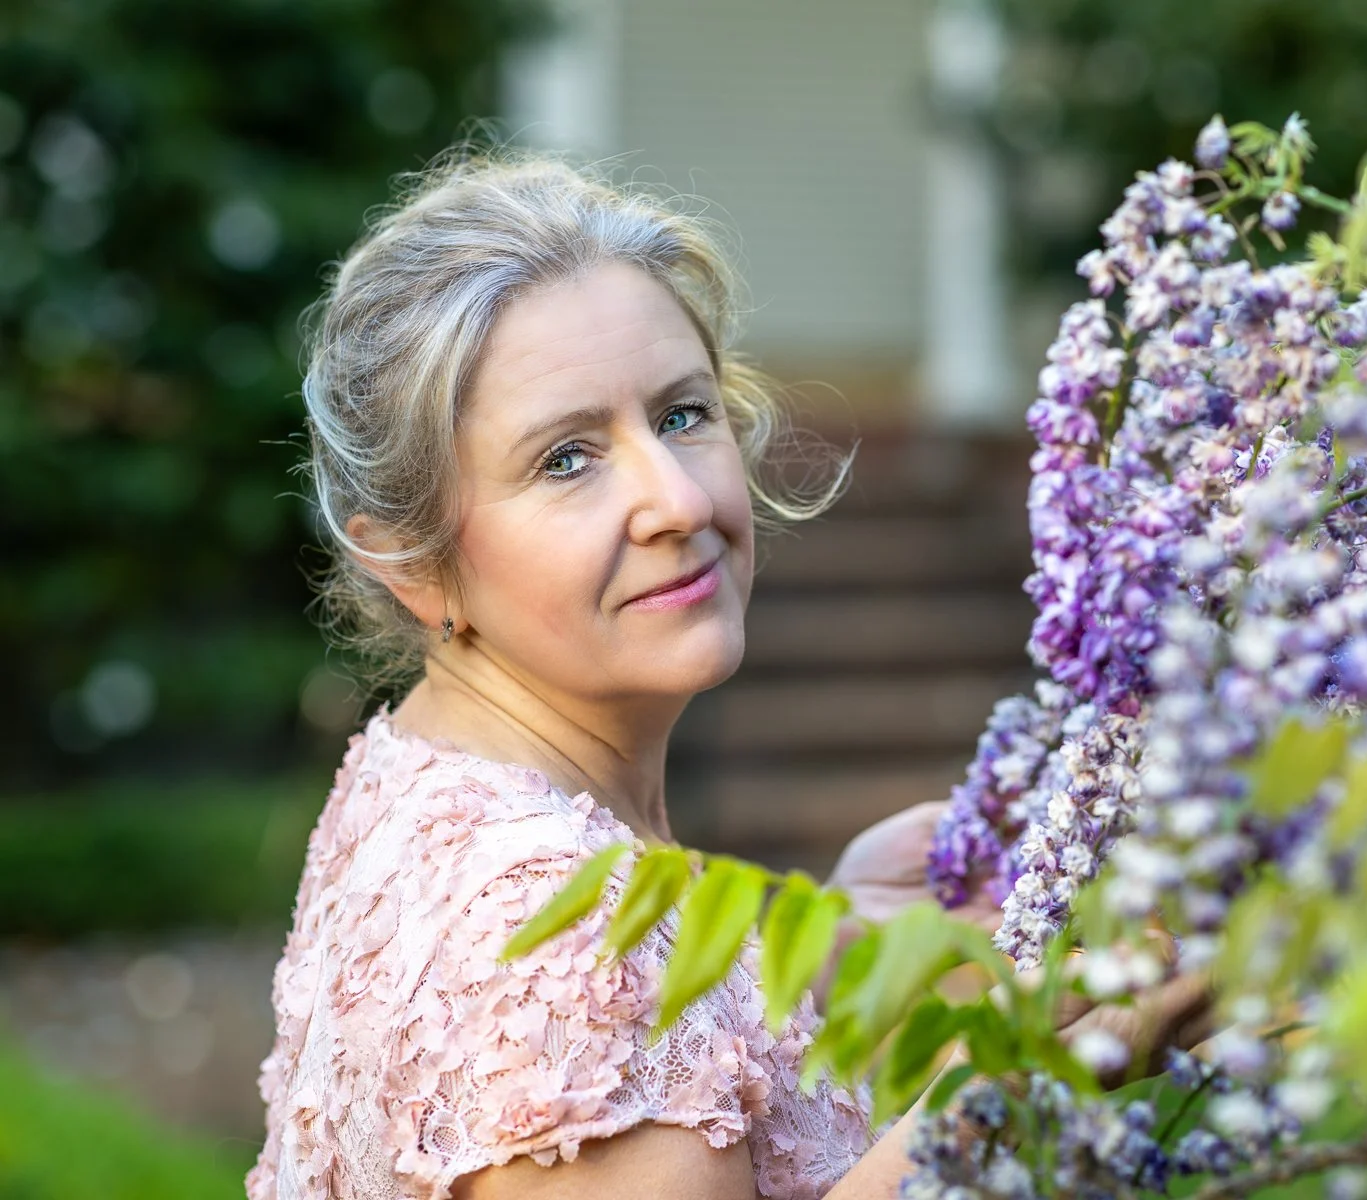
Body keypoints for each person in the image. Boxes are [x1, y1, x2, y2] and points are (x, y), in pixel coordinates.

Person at [248, 152, 1207, 1200]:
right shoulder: (548, 924)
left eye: (680, 415)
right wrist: (1017, 1099)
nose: (676, 501)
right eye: (564, 459)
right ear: (415, 563)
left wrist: (822, 962)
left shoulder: (439, 789)